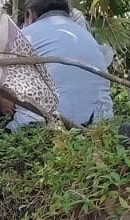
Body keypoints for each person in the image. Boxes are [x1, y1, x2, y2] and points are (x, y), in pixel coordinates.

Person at [7, 0, 114, 128]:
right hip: (100, 126)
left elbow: (6, 106)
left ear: (30, 14)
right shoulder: (88, 37)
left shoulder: (23, 37)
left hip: (41, 129)